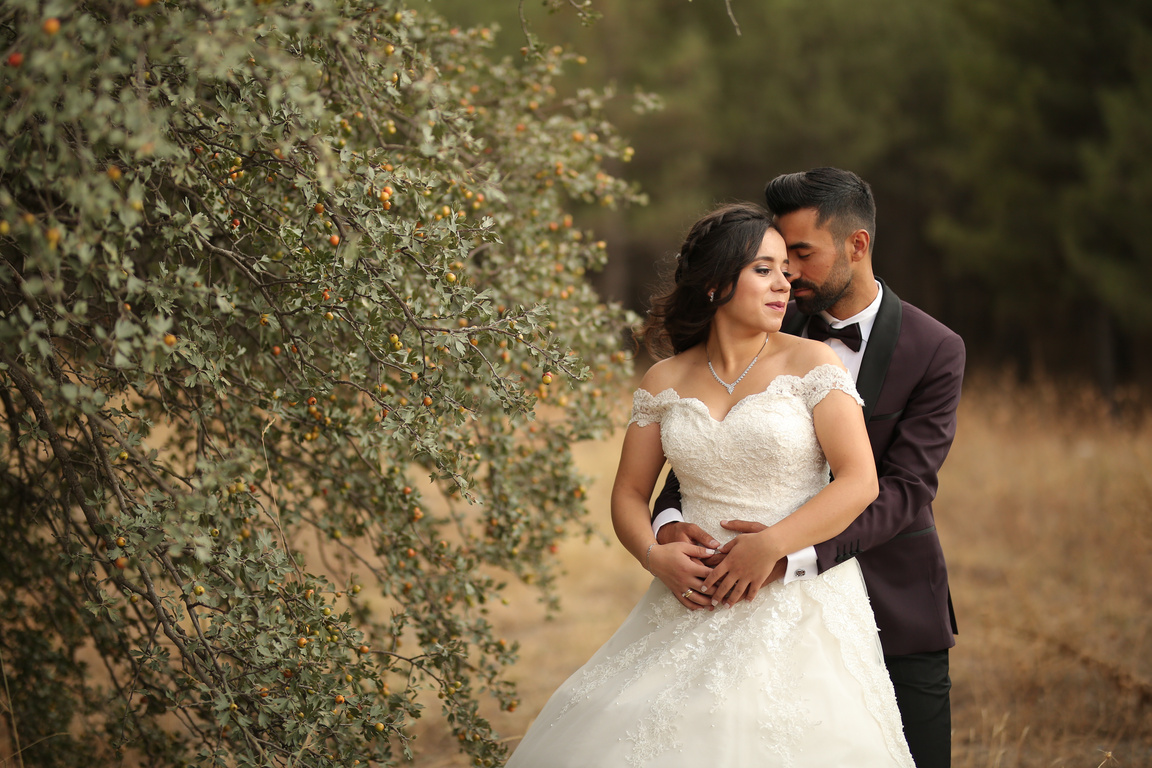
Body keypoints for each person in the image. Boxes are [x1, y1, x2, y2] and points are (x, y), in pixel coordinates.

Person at [505, 203, 914, 767]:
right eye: (764, 269)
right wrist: (655, 556)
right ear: (718, 283)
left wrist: (772, 546)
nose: (784, 283)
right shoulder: (664, 379)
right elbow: (628, 495)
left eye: (786, 270)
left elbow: (860, 481)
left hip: (795, 599)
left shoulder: (813, 363)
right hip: (689, 596)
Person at [652, 168, 965, 768]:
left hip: (895, 595)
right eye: (778, 255)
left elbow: (904, 489)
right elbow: (702, 447)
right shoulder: (766, 319)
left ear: (857, 245)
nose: (787, 273)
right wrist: (668, 524)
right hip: (754, 612)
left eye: (801, 253)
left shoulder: (935, 348)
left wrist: (786, 556)